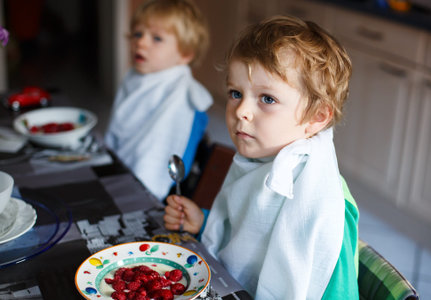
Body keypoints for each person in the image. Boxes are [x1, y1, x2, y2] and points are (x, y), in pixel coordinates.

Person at [164, 15, 359, 299]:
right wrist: (203, 222)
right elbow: (249, 232)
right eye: (235, 93)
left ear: (316, 117)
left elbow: (327, 281)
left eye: (267, 99)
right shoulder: (258, 160)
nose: (241, 110)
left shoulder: (324, 206)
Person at [105, 0, 212, 201]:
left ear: (185, 54)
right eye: (137, 34)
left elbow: (162, 147)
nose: (141, 42)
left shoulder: (181, 95)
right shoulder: (134, 77)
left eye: (156, 38)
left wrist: (144, 180)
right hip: (121, 169)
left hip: (154, 188)